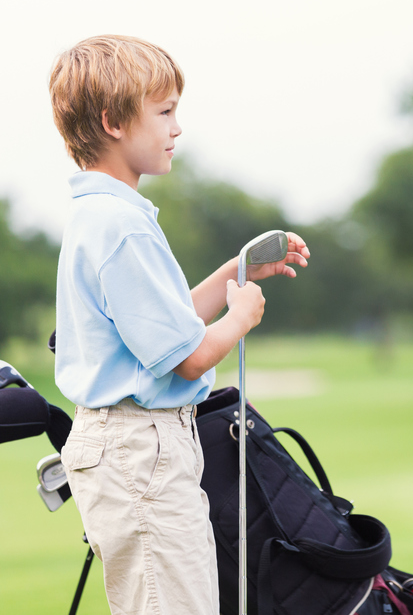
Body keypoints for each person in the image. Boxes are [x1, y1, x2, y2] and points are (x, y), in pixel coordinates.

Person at [48, 35, 311, 615]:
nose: (177, 127)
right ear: (115, 121)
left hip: (130, 447)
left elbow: (162, 328)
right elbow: (187, 356)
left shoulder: (101, 215)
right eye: (164, 111)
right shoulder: (123, 224)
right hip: (140, 450)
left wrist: (234, 274)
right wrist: (240, 317)